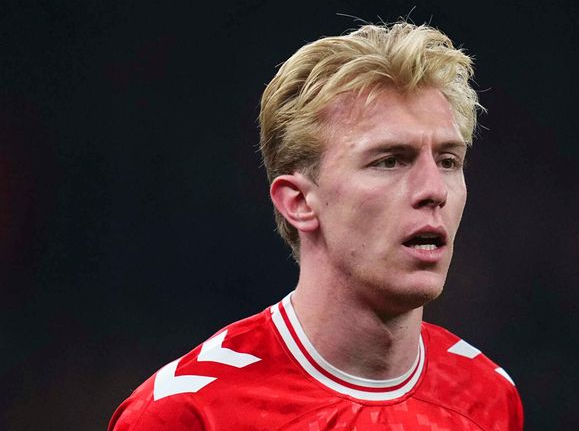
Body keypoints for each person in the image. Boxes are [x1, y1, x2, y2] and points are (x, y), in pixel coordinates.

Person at [109, 21, 523, 430]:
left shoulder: (487, 396)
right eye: (389, 160)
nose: (434, 189)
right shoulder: (189, 413)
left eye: (449, 161)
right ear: (301, 202)